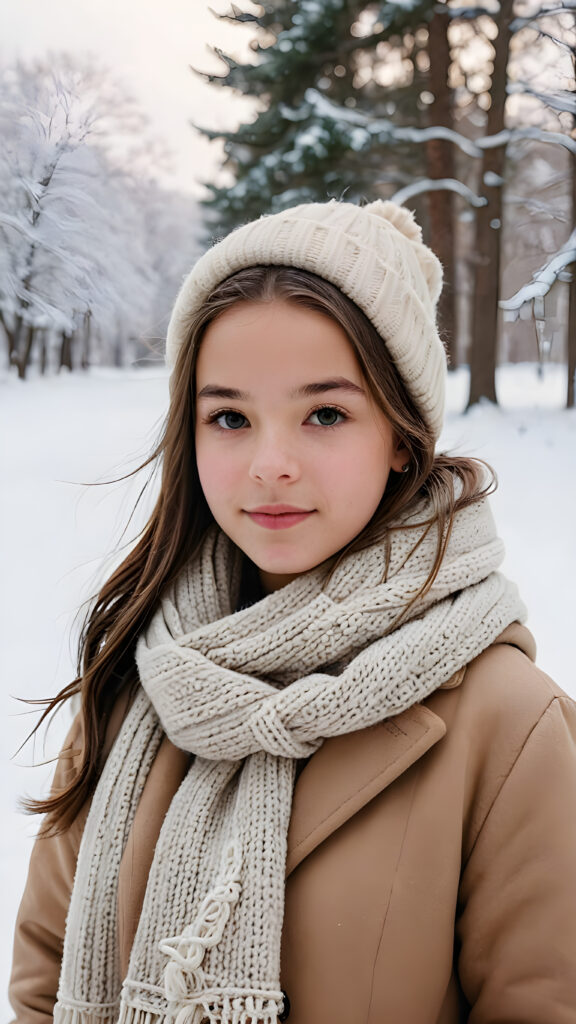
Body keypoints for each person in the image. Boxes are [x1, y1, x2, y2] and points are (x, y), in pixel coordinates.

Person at [9, 199, 576, 1024]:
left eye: (325, 415)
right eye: (230, 417)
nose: (270, 465)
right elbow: (43, 980)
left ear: (401, 438)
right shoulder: (140, 683)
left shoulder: (514, 730)